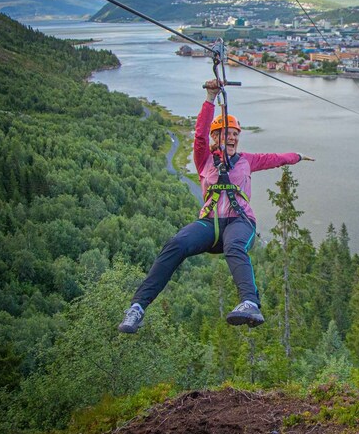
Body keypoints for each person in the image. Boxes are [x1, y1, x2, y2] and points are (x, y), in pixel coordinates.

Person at [118, 80, 314, 333]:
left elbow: (276, 159)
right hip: (210, 223)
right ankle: (137, 308)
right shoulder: (204, 159)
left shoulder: (247, 160)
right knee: (175, 244)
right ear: (216, 138)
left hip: (240, 221)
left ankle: (250, 303)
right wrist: (210, 98)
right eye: (226, 134)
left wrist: (297, 156)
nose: (232, 138)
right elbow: (199, 134)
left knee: (234, 246)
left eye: (235, 134)